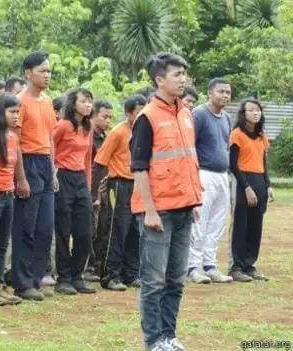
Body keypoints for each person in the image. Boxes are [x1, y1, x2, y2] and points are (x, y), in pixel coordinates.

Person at [130, 52, 202, 351]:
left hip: (185, 207)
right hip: (158, 212)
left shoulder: (185, 113)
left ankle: (170, 336)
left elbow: (187, 160)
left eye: (184, 73)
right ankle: (154, 340)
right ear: (160, 80)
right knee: (154, 282)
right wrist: (149, 210)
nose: (182, 79)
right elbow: (140, 168)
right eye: (176, 74)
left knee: (176, 280)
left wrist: (195, 200)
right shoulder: (147, 118)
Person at [11, 51, 57, 301]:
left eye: (49, 71)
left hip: (45, 164)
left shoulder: (47, 101)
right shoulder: (20, 101)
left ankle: (37, 278)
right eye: (42, 71)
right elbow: (15, 142)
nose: (47, 75)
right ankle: (22, 281)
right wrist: (21, 177)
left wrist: (53, 168)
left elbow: (49, 136)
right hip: (27, 162)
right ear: (28, 73)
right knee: (25, 226)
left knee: (45, 226)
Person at [96, 94, 147, 291]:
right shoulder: (118, 133)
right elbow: (100, 162)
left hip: (138, 184)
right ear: (128, 113)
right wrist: (97, 191)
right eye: (138, 112)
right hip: (119, 185)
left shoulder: (144, 132)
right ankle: (110, 274)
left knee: (135, 230)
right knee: (117, 229)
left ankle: (131, 273)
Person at [187, 78, 234, 285]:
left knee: (217, 222)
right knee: (199, 221)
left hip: (222, 175)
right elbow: (190, 145)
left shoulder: (226, 118)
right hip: (203, 173)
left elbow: (225, 146)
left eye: (228, 92)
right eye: (221, 91)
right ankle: (193, 267)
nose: (225, 96)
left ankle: (210, 265)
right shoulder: (199, 114)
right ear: (210, 93)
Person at [52, 88, 97, 295]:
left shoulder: (88, 128)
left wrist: (87, 185)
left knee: (84, 231)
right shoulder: (63, 126)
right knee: (63, 229)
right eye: (84, 101)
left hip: (80, 179)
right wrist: (52, 175)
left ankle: (77, 275)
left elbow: (88, 159)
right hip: (63, 177)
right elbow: (50, 147)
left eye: (90, 101)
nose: (88, 105)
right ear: (73, 103)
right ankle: (64, 278)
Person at [0, 94, 29, 305]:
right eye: (12, 112)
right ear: (1, 113)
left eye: (18, 112)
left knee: (2, 244)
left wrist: (22, 181)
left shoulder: (12, 136)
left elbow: (17, 159)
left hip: (9, 193)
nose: (16, 116)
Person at [228, 99, 274, 283]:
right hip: (243, 180)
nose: (256, 113)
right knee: (241, 224)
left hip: (259, 180)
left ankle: (250, 264)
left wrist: (268, 185)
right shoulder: (236, 134)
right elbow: (233, 164)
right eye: (251, 110)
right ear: (243, 113)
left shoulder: (262, 135)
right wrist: (246, 187)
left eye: (258, 110)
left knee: (256, 226)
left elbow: (263, 162)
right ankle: (236, 266)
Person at [87, 100, 113, 283]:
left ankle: (98, 266)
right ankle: (88, 267)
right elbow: (92, 168)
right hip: (90, 189)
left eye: (110, 117)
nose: (108, 121)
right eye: (104, 117)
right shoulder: (88, 137)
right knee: (90, 230)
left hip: (105, 190)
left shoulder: (107, 137)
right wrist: (93, 193)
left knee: (103, 228)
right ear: (94, 115)